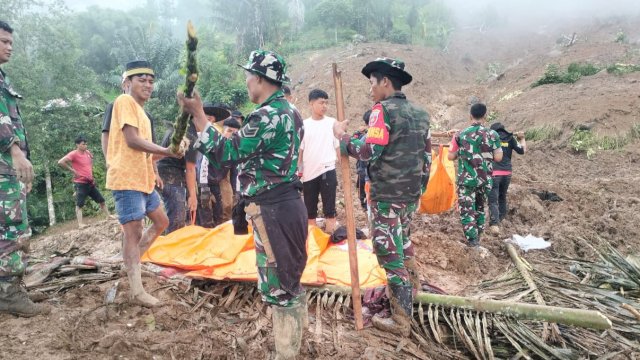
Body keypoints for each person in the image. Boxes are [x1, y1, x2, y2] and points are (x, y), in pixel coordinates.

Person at [179, 50, 307, 359]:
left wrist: (198, 114)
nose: (247, 81)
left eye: (249, 76)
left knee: (279, 284)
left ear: (261, 79)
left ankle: (286, 354)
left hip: (273, 210)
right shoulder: (291, 113)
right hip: (288, 205)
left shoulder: (267, 116)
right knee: (289, 278)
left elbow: (227, 153)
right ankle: (293, 346)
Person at [333, 58, 431, 337]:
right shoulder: (421, 114)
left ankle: (401, 319)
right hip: (409, 196)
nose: (371, 90)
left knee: (388, 250)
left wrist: (342, 138)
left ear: (385, 82)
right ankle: (414, 291)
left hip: (387, 194)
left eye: (372, 83)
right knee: (404, 240)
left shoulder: (382, 111)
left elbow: (368, 151)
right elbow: (427, 157)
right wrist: (418, 191)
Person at [106, 60, 181, 307]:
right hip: (127, 178)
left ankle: (133, 263)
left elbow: (146, 152)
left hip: (143, 179)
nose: (148, 85)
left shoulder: (144, 114)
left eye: (151, 81)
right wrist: (167, 151)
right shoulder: (124, 101)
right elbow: (132, 141)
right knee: (133, 231)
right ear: (127, 83)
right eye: (142, 80)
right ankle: (137, 290)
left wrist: (161, 161)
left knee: (162, 222)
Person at [0, 20, 49, 317]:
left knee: (9, 227)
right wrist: (15, 152)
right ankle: (8, 294)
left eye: (10, 43)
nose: (9, 47)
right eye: (4, 41)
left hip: (8, 171)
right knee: (11, 228)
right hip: (4, 166)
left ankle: (11, 287)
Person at [447, 103, 503, 253]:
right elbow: (498, 157)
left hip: (466, 180)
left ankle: (472, 242)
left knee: (467, 210)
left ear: (470, 115)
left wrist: (463, 152)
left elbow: (450, 156)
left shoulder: (460, 135)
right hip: (485, 180)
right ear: (485, 116)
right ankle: (477, 237)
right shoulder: (493, 135)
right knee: (479, 208)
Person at [298, 89, 339, 233]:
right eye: (321, 102)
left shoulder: (332, 123)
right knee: (310, 210)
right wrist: (299, 171)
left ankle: (332, 237)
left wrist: (341, 165)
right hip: (309, 173)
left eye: (326, 103)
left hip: (327, 169)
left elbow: (338, 147)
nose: (324, 106)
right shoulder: (304, 125)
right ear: (311, 103)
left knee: (330, 209)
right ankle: (313, 242)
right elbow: (300, 151)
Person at [57, 135, 111, 228]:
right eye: (83, 144)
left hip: (90, 182)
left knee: (101, 200)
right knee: (80, 204)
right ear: (77, 145)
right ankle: (80, 224)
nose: (85, 145)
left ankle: (108, 216)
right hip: (81, 183)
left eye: (86, 144)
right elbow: (60, 162)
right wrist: (72, 170)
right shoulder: (73, 154)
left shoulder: (88, 153)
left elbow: (88, 165)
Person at [156, 122, 198, 234]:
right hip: (172, 177)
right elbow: (190, 169)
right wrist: (192, 196)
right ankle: (172, 246)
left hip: (161, 173)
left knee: (167, 217)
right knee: (177, 220)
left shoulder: (176, 129)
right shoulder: (191, 136)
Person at [195, 103, 230, 228]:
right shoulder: (203, 135)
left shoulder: (215, 133)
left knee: (217, 216)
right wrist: (204, 186)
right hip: (204, 183)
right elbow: (203, 161)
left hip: (214, 181)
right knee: (206, 217)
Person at [488, 122, 525, 234]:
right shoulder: (510, 139)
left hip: (494, 173)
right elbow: (522, 151)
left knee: (493, 200)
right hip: (507, 173)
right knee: (502, 196)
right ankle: (501, 218)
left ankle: (495, 224)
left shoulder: (491, 139)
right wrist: (522, 139)